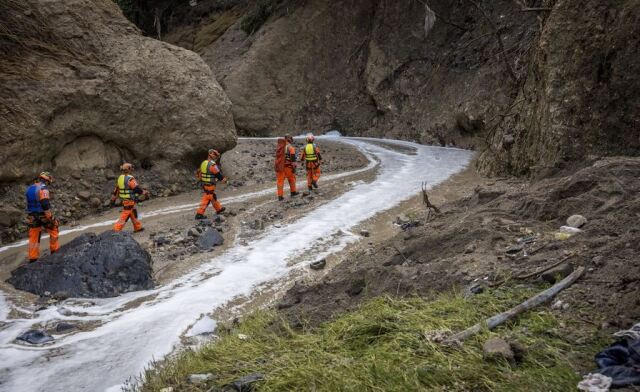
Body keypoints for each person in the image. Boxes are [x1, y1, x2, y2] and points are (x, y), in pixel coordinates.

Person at [25, 171, 59, 262]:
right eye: (49, 182)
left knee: (34, 235)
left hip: (31, 215)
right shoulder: (43, 189)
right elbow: (45, 205)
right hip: (42, 214)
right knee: (54, 228)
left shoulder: (29, 188)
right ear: (47, 180)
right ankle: (55, 251)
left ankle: (33, 257)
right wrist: (50, 217)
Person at [111, 163, 148, 232]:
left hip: (125, 199)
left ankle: (138, 227)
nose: (132, 169)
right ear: (128, 169)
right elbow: (136, 188)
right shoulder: (130, 179)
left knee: (133, 212)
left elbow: (117, 188)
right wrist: (143, 192)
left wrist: (114, 197)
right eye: (131, 168)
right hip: (129, 199)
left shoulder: (120, 178)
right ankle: (116, 229)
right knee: (125, 214)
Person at [195, 149, 227, 219]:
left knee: (213, 196)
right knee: (208, 198)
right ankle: (199, 214)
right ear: (210, 154)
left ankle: (219, 209)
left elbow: (199, 173)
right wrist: (223, 179)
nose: (215, 156)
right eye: (214, 155)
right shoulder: (212, 165)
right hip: (210, 184)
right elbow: (218, 174)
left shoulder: (203, 163)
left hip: (204, 184)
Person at [275, 134, 299, 201]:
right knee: (292, 179)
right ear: (290, 139)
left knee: (280, 181)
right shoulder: (290, 147)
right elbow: (293, 158)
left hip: (280, 166)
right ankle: (293, 192)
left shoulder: (279, 146)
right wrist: (294, 166)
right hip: (288, 167)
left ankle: (280, 196)